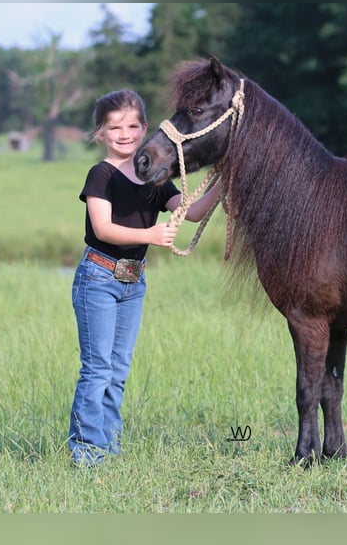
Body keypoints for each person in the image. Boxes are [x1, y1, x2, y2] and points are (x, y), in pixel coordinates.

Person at [68, 88, 220, 467]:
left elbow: (194, 211)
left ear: (146, 128)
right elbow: (103, 229)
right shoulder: (100, 175)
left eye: (133, 125)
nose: (125, 134)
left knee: (118, 370)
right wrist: (150, 236)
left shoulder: (151, 176)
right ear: (100, 133)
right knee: (98, 368)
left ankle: (109, 445)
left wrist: (224, 179)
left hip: (133, 283)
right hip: (99, 279)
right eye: (115, 127)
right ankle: (87, 451)